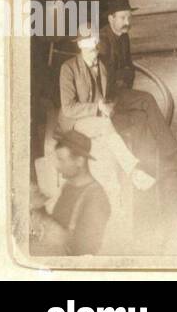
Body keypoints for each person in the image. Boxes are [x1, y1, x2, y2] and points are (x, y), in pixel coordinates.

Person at [58, 27, 157, 200]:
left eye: (95, 42)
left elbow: (110, 95)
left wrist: (109, 107)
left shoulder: (103, 64)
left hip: (99, 120)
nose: (93, 47)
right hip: (76, 120)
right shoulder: (68, 68)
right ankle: (133, 172)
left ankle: (114, 194)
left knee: (107, 139)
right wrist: (97, 108)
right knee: (105, 127)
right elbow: (68, 108)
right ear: (80, 45)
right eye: (88, 43)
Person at [97, 0, 177, 174]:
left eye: (129, 18)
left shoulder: (123, 37)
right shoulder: (103, 40)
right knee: (147, 99)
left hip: (121, 90)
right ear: (110, 19)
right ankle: (171, 153)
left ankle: (149, 165)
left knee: (141, 117)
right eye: (122, 18)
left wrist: (123, 80)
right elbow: (103, 76)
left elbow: (129, 68)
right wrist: (114, 94)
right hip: (109, 97)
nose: (127, 22)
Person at [35, 131, 111, 256]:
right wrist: (39, 209)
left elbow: (84, 251)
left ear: (79, 161)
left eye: (61, 160)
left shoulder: (96, 198)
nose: (57, 166)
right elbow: (58, 222)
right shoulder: (68, 187)